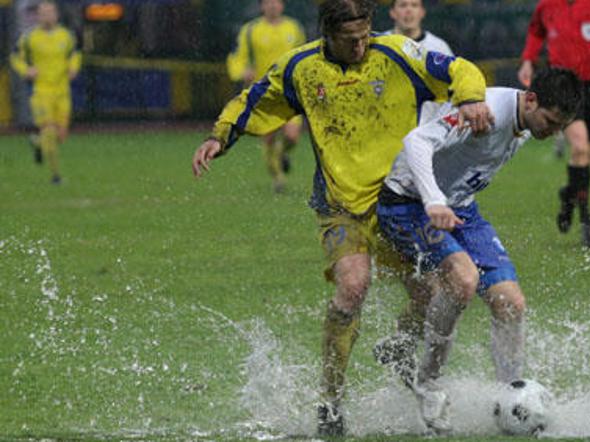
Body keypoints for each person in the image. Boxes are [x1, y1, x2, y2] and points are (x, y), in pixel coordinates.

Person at [191, 0, 492, 435]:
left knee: (431, 293)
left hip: (397, 202)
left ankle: (400, 347)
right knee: (352, 286)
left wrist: (470, 98)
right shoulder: (300, 68)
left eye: (365, 36)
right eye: (350, 40)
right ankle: (330, 400)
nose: (360, 46)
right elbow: (254, 99)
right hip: (340, 206)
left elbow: (460, 69)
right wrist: (220, 136)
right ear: (327, 35)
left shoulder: (397, 52)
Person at [376, 68, 582, 433]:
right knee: (463, 280)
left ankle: (511, 397)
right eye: (550, 121)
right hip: (407, 202)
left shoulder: (524, 122)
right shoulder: (485, 111)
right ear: (531, 99)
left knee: (511, 302)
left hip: (461, 209)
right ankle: (429, 384)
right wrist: (434, 201)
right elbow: (416, 141)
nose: (553, 132)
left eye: (560, 126)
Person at [517, 0, 590, 248]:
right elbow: (536, 32)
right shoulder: (547, 5)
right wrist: (528, 60)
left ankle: (569, 194)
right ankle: (586, 221)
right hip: (563, 88)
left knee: (587, 154)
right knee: (580, 148)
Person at [226, 0, 306, 193]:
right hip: (263, 93)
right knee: (268, 139)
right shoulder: (250, 30)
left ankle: (281, 153)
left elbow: (304, 55)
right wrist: (242, 72)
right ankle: (278, 179)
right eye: (268, 2)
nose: (272, 5)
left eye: (276, 2)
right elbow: (237, 57)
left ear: (282, 5)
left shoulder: (294, 28)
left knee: (292, 136)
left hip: (288, 91)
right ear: (262, 6)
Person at [10, 0, 81, 184]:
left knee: (61, 135)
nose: (47, 16)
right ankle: (55, 175)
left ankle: (37, 142)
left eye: (50, 12)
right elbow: (15, 57)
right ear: (38, 16)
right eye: (43, 13)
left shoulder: (66, 36)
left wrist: (73, 67)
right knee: (49, 130)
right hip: (41, 92)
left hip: (62, 92)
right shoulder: (30, 38)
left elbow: (75, 54)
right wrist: (26, 70)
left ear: (56, 15)